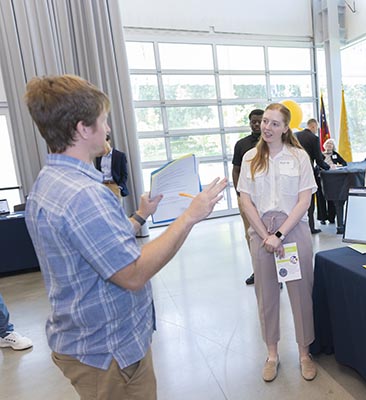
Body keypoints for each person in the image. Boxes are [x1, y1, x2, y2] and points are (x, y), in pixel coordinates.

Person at [23, 74, 227, 400]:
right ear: (82, 129)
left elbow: (97, 247)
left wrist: (139, 217)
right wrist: (191, 215)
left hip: (84, 341)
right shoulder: (85, 195)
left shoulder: (49, 182)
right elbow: (132, 273)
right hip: (109, 352)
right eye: (103, 121)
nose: (107, 129)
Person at [238, 103, 318, 382]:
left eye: (274, 123)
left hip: (292, 230)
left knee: (300, 293)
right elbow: (245, 200)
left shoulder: (299, 157)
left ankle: (304, 353)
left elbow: (304, 200)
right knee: (266, 295)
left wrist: (280, 235)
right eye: (265, 122)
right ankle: (272, 354)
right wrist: (264, 235)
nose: (267, 127)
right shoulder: (250, 157)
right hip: (261, 233)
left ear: (286, 128)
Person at [232, 109, 264, 285]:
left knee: (271, 234)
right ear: (250, 123)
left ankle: (275, 272)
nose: (257, 124)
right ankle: (257, 270)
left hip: (268, 199)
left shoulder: (273, 142)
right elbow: (236, 169)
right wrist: (239, 193)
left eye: (260, 121)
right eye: (254, 121)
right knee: (251, 235)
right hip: (247, 199)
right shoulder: (241, 144)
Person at [296, 118, 330, 234]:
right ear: (314, 126)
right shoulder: (314, 138)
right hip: (307, 173)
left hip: (293, 173)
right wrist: (329, 167)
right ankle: (311, 227)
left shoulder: (295, 135)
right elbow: (319, 160)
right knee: (309, 201)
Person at [320, 138, 347, 229]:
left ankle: (332, 217)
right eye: (328, 144)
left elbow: (344, 163)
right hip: (322, 178)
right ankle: (323, 218)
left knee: (332, 198)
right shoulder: (321, 154)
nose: (329, 145)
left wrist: (338, 166)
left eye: (331, 144)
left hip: (333, 179)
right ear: (324, 145)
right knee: (322, 199)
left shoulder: (335, 154)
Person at [94, 134, 129, 199]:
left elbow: (124, 174)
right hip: (102, 186)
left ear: (109, 141)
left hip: (114, 186)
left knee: (117, 208)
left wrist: (120, 186)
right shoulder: (98, 156)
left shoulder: (120, 155)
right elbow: (98, 171)